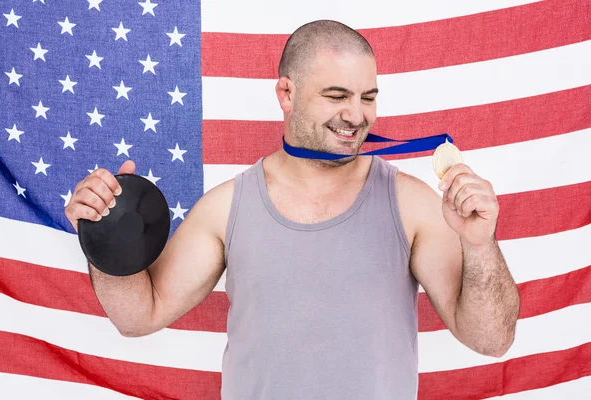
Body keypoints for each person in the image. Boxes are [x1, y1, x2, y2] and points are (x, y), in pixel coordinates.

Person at [65, 20, 520, 400]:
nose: (356, 116)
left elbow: (491, 339)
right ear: (286, 93)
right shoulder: (228, 207)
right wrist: (104, 236)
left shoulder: (412, 203)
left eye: (368, 97)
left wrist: (480, 246)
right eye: (337, 95)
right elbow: (138, 316)